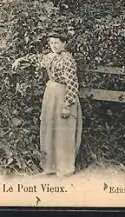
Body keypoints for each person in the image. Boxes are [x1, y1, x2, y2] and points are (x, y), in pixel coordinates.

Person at [12, 30, 83, 177]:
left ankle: (65, 168)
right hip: (51, 95)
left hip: (63, 96)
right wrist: (20, 60)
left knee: (63, 131)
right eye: (51, 43)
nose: (54, 45)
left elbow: (72, 84)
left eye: (57, 42)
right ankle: (50, 166)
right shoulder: (50, 57)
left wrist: (67, 105)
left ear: (64, 43)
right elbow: (37, 59)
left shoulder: (67, 60)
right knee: (50, 128)